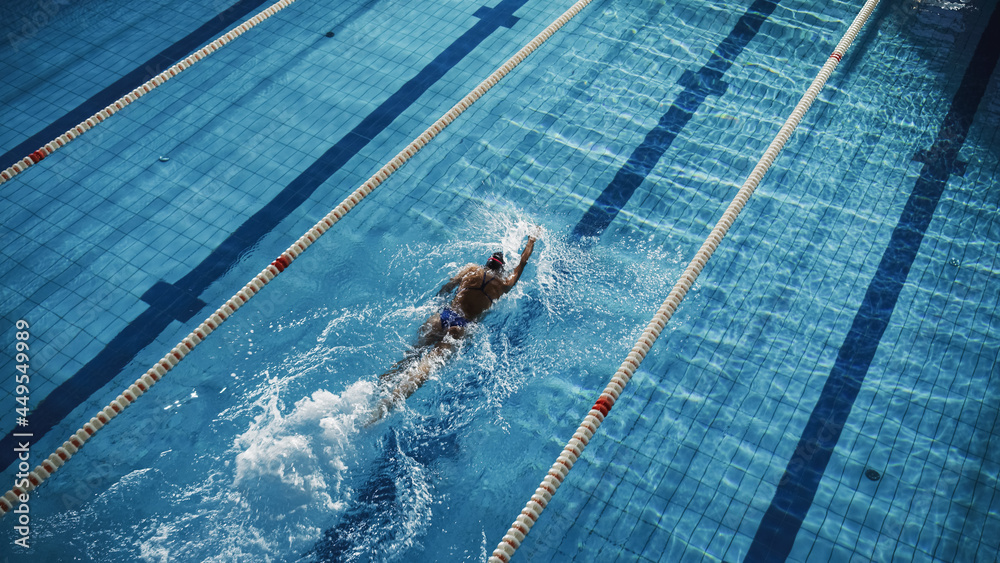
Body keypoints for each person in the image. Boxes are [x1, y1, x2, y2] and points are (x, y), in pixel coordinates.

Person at [367, 236, 537, 424]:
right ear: (501, 270)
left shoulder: (471, 269)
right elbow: (522, 262)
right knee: (423, 371)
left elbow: (446, 288)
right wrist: (532, 240)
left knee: (411, 357)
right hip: (460, 327)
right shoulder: (504, 285)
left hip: (442, 317)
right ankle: (385, 407)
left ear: (486, 263)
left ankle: (376, 388)